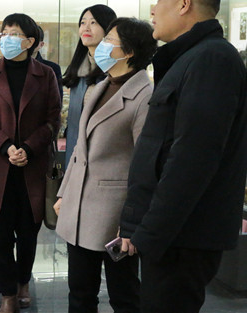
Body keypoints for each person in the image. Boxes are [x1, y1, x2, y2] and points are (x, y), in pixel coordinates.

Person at [120, 0, 247, 313]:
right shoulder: (188, 58)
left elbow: (192, 159)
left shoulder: (212, 59)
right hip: (170, 236)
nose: (153, 9)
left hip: (181, 236)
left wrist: (151, 231)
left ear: (183, 4)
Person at [54, 17, 156, 313]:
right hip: (79, 206)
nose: (102, 45)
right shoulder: (99, 86)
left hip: (115, 215)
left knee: (124, 294)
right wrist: (64, 192)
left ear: (130, 51)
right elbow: (79, 148)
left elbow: (145, 165)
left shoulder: (145, 97)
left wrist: (133, 223)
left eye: (110, 40)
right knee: (80, 292)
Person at [0, 13, 61, 313]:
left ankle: (23, 282)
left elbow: (53, 119)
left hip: (32, 165)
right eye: (4, 33)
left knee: (28, 233)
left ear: (30, 41)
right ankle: (7, 292)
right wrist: (6, 146)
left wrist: (28, 148)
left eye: (13, 33)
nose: (6, 38)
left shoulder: (46, 75)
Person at [62, 5, 116, 167]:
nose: (86, 28)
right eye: (83, 22)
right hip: (75, 156)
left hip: (104, 157)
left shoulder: (116, 69)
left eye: (93, 23)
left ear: (108, 28)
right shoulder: (78, 71)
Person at [33, 25, 63, 100]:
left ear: (41, 44)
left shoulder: (52, 68)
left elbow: (57, 100)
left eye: (34, 40)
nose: (30, 43)